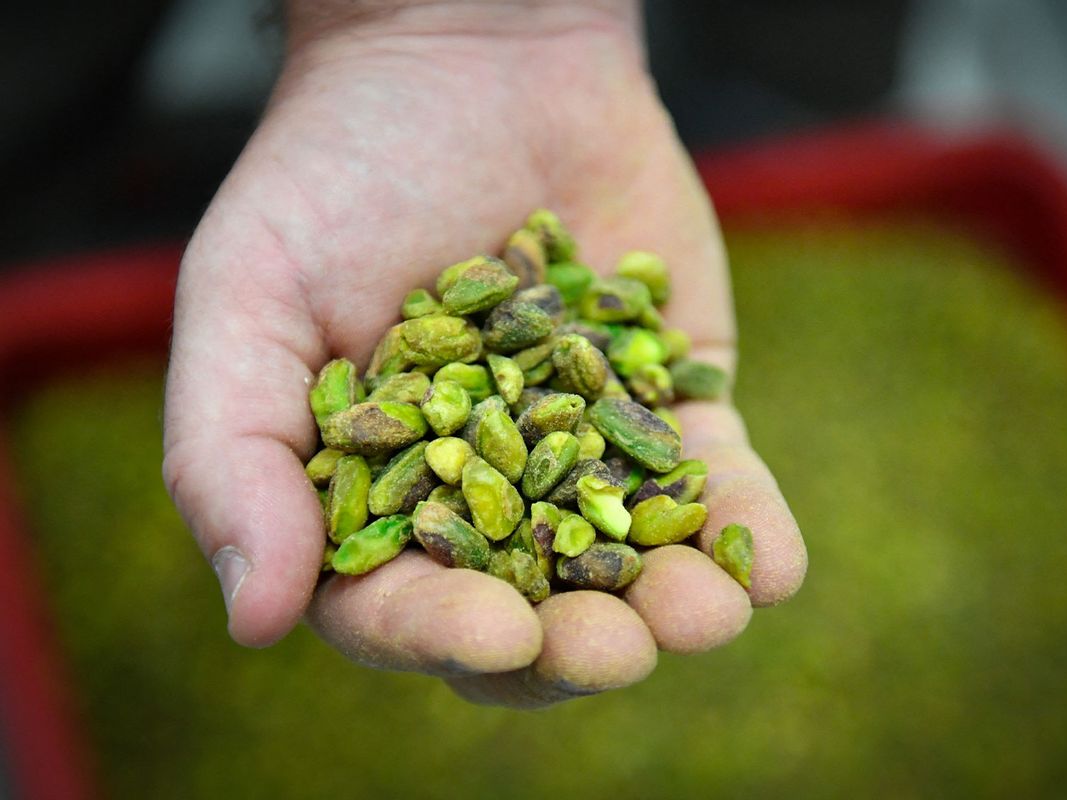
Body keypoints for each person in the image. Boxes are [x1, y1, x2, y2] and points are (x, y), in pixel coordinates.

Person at [162, 0, 807, 708]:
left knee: (783, 81)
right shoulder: (467, 387)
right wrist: (390, 27)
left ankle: (779, 97)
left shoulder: (552, 382)